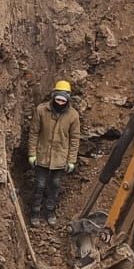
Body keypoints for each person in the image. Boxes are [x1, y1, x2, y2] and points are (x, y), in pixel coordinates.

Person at [27, 80, 81, 226]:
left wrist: (71, 160)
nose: (60, 102)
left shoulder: (73, 116)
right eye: (58, 99)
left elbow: (75, 139)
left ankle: (50, 212)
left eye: (63, 100)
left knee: (55, 186)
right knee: (40, 185)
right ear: (53, 96)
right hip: (42, 155)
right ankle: (35, 213)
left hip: (60, 158)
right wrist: (32, 153)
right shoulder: (41, 110)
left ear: (68, 99)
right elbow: (33, 133)